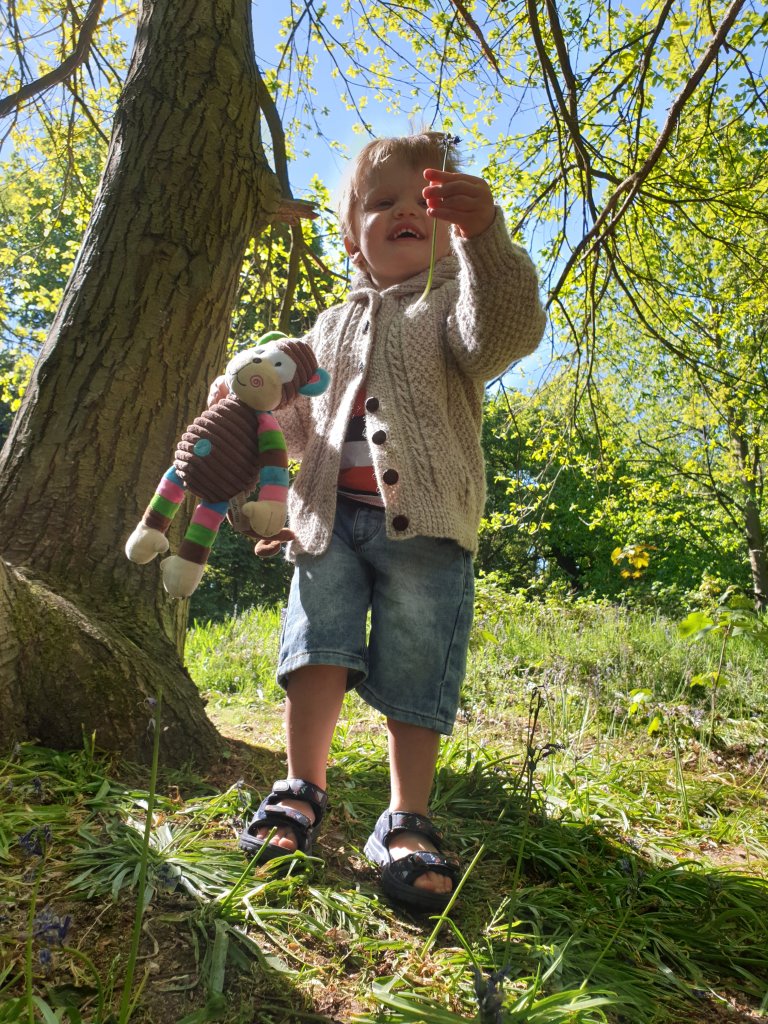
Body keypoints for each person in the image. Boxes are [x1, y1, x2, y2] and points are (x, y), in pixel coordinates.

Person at [237, 131, 546, 911]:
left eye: (424, 201)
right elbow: (297, 424)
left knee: (417, 668)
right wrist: (251, 411)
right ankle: (300, 790)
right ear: (352, 238)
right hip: (328, 523)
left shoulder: (452, 305)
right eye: (382, 202)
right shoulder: (327, 327)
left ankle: (406, 818)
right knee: (315, 650)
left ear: (449, 230)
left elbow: (503, 334)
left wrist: (486, 238)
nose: (406, 210)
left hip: (428, 531)